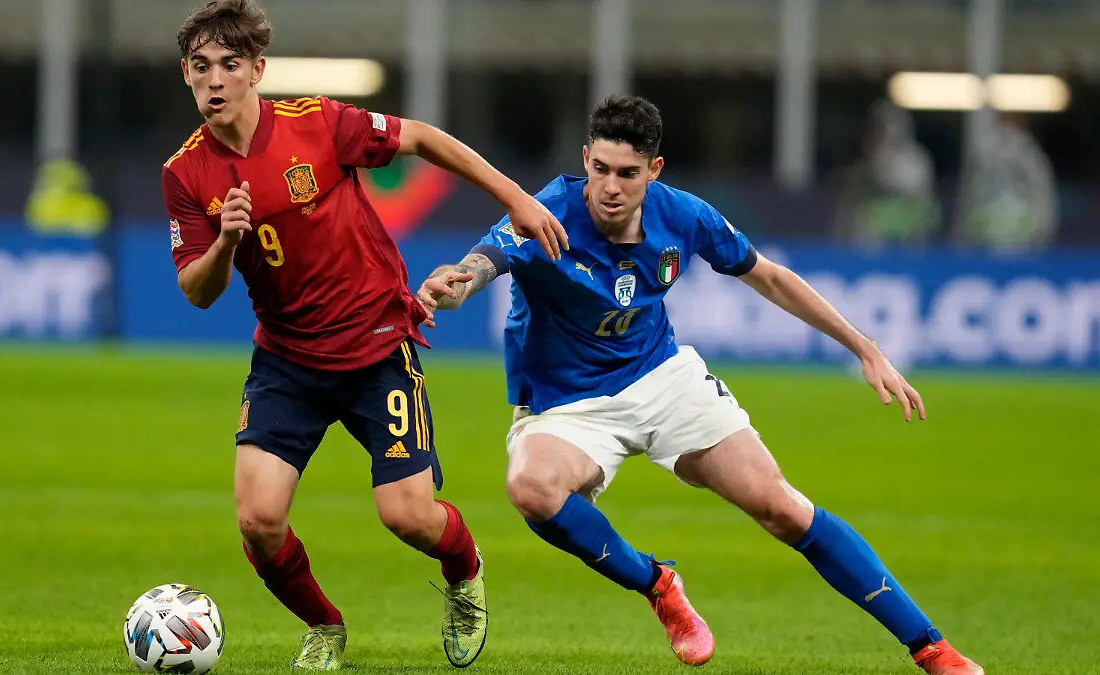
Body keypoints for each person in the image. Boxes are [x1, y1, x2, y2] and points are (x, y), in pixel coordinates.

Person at [417, 95, 984, 675]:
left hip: (661, 378)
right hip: (566, 405)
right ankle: (657, 584)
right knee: (532, 489)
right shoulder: (543, 215)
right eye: (601, 169)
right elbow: (476, 266)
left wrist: (864, 347)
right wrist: (449, 285)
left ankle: (933, 649)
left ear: (653, 171)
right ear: (586, 159)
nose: (611, 187)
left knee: (783, 509)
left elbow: (770, 277)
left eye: (628, 174)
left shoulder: (683, 216)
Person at [161, 1, 568, 670]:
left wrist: (515, 198)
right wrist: (227, 241)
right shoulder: (186, 174)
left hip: (377, 344)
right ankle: (324, 626)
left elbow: (424, 139)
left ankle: (465, 570)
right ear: (186, 74)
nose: (215, 80)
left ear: (257, 69)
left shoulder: (318, 123)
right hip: (287, 360)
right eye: (201, 67)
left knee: (408, 515)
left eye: (230, 65)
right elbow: (198, 292)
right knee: (258, 521)